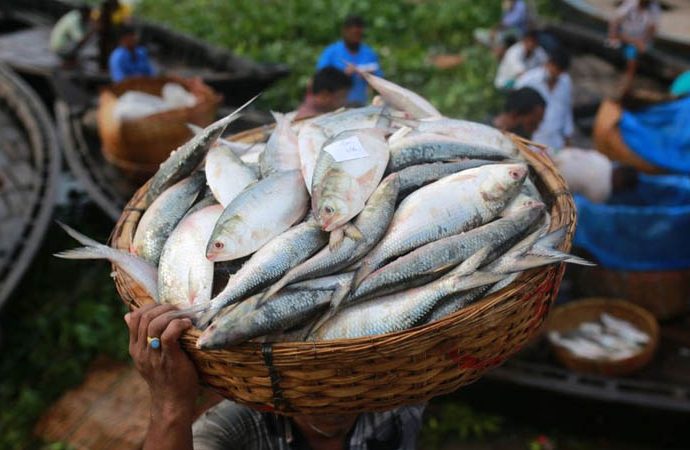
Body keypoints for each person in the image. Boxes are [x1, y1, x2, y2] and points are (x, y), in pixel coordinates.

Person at [125, 304, 425, 450]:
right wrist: (170, 403)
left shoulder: (398, 392)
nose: (330, 397)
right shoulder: (234, 426)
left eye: (348, 371)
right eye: (311, 375)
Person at [515, 47, 574, 151]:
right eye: (554, 68)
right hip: (532, 141)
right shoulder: (529, 80)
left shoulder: (566, 82)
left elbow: (566, 109)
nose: (555, 73)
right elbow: (515, 106)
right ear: (549, 63)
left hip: (555, 142)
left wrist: (567, 137)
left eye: (560, 71)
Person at [316, 15, 383, 107]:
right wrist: (343, 75)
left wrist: (369, 77)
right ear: (345, 31)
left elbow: (381, 82)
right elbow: (320, 79)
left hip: (361, 104)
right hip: (334, 106)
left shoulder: (369, 53)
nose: (356, 38)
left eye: (359, 35)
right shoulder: (331, 52)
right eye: (353, 34)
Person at [607, 0, 661, 95]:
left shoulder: (654, 7)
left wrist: (642, 42)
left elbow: (652, 29)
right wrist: (613, 34)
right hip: (625, 36)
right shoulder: (631, 3)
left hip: (638, 40)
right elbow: (616, 21)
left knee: (633, 55)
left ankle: (627, 83)